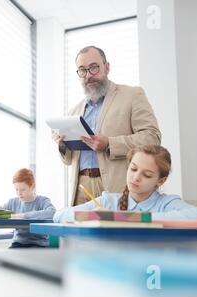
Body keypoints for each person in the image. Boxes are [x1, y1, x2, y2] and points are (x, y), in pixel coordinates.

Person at [52, 46, 161, 206]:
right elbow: (69, 160)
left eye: (94, 68)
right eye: (82, 70)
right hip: (80, 187)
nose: (88, 75)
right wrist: (62, 146)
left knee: (116, 231)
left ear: (107, 67)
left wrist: (109, 143)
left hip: (115, 185)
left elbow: (152, 137)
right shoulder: (73, 111)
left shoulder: (132, 95)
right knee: (78, 231)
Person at [53, 145, 197, 227]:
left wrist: (128, 219)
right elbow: (59, 216)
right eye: (133, 169)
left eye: (147, 175)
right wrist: (95, 217)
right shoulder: (108, 201)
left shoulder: (166, 204)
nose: (136, 178)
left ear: (161, 180)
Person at [0, 168, 56, 248]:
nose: (19, 193)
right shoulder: (12, 202)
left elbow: (52, 212)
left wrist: (24, 215)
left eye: (23, 189)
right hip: (18, 243)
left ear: (32, 186)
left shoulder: (42, 201)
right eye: (16, 189)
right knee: (5, 258)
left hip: (39, 244)